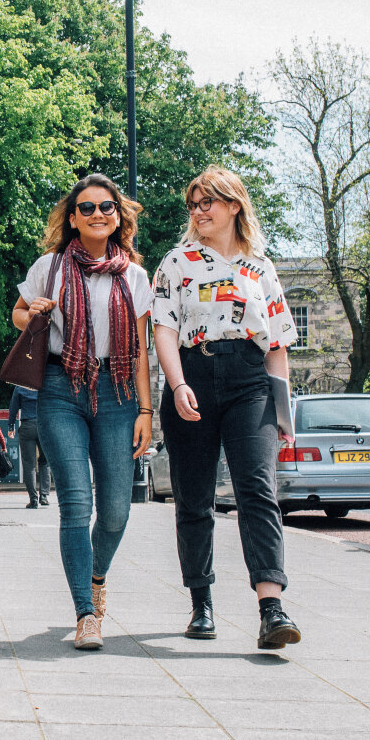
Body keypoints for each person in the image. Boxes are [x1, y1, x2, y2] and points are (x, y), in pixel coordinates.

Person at [151, 165, 302, 650]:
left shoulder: (261, 267)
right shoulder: (176, 262)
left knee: (258, 489)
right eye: (193, 205)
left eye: (207, 203)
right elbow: (164, 330)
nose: (198, 213)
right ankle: (202, 603)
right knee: (194, 497)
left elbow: (277, 344)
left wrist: (284, 416)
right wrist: (176, 385)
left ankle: (271, 609)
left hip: (249, 380)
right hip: (193, 375)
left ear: (234, 205)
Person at [12, 173, 154, 650]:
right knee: (76, 503)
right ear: (72, 217)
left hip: (116, 391)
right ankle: (85, 613)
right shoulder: (49, 266)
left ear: (119, 217)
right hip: (58, 386)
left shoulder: (134, 275)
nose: (97, 215)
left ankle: (96, 576)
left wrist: (146, 410)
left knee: (115, 511)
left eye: (106, 207)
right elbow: (18, 312)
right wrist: (32, 313)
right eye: (87, 208)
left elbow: (138, 350)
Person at [8, 386, 52, 509]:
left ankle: (33, 499)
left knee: (29, 464)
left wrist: (11, 426)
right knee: (45, 461)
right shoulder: (43, 383)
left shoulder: (19, 387)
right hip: (44, 425)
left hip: (27, 425)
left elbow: (13, 407)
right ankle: (44, 495)